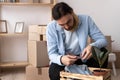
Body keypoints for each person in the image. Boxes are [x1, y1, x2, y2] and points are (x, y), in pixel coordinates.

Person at [46, 2, 108, 80]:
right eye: (62, 25)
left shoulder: (86, 20)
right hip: (64, 59)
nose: (67, 26)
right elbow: (52, 54)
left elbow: (103, 40)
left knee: (102, 51)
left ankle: (96, 77)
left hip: (83, 57)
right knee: (54, 72)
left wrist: (91, 46)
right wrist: (61, 59)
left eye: (68, 21)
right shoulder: (51, 27)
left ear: (72, 12)